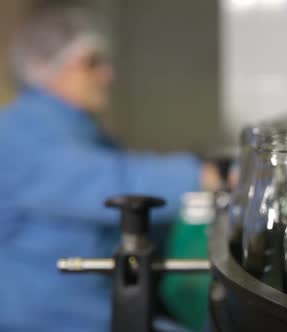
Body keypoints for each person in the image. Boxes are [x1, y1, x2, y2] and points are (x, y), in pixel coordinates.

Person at [0, 1, 222, 331]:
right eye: (91, 62)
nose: (107, 74)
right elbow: (109, 182)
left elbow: (121, 167)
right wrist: (201, 175)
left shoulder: (76, 130)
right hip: (45, 317)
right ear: (44, 65)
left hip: (93, 306)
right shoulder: (17, 132)